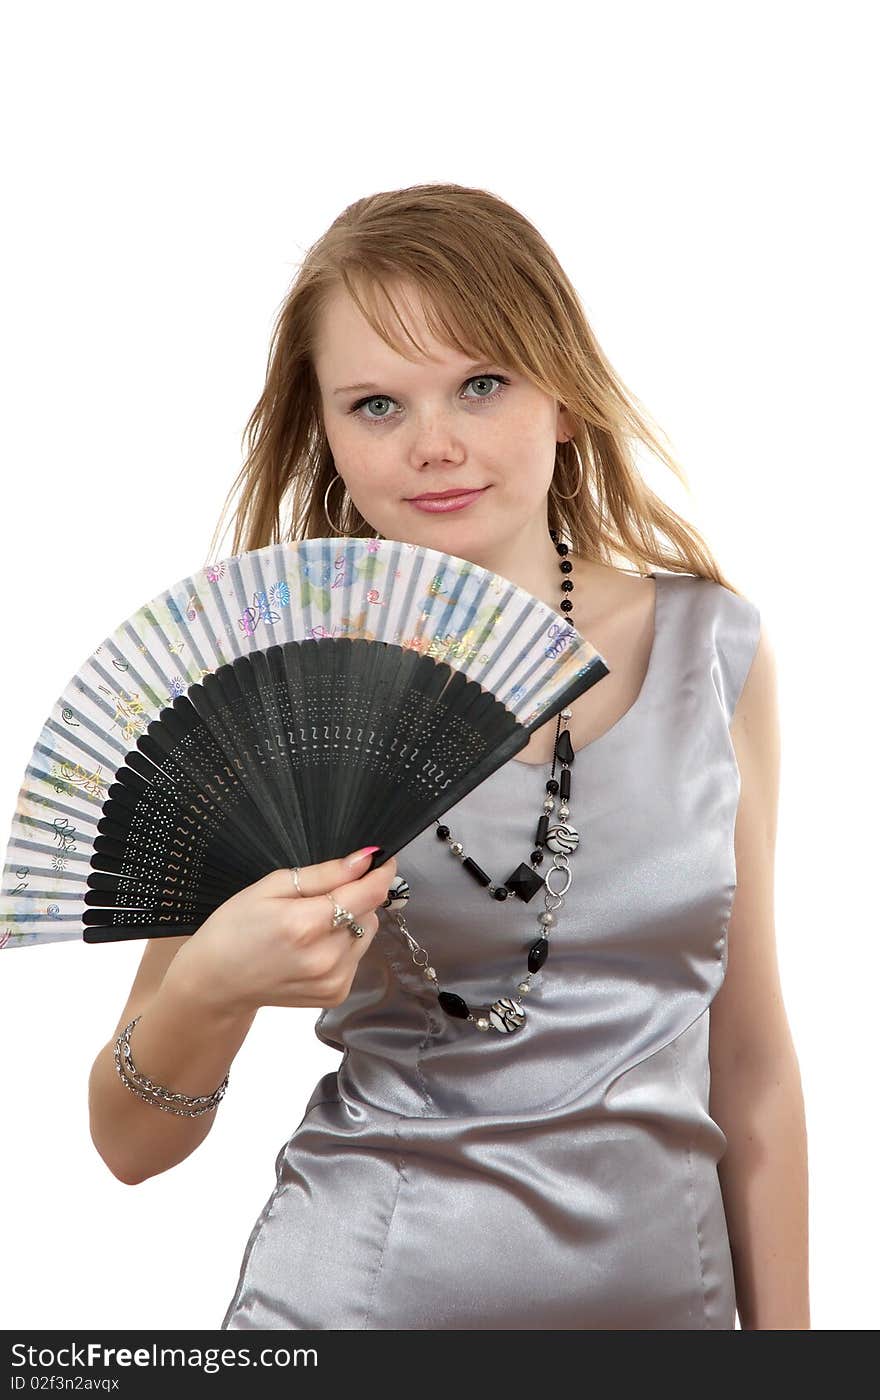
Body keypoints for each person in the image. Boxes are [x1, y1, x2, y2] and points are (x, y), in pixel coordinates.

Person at [87, 182, 809, 1330]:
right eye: (375, 404)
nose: (434, 445)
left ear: (562, 394)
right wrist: (216, 983)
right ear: (323, 429)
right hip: (355, 1303)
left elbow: (754, 1061)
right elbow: (130, 1144)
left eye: (481, 383)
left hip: (676, 1309)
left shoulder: (711, 648)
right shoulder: (270, 693)